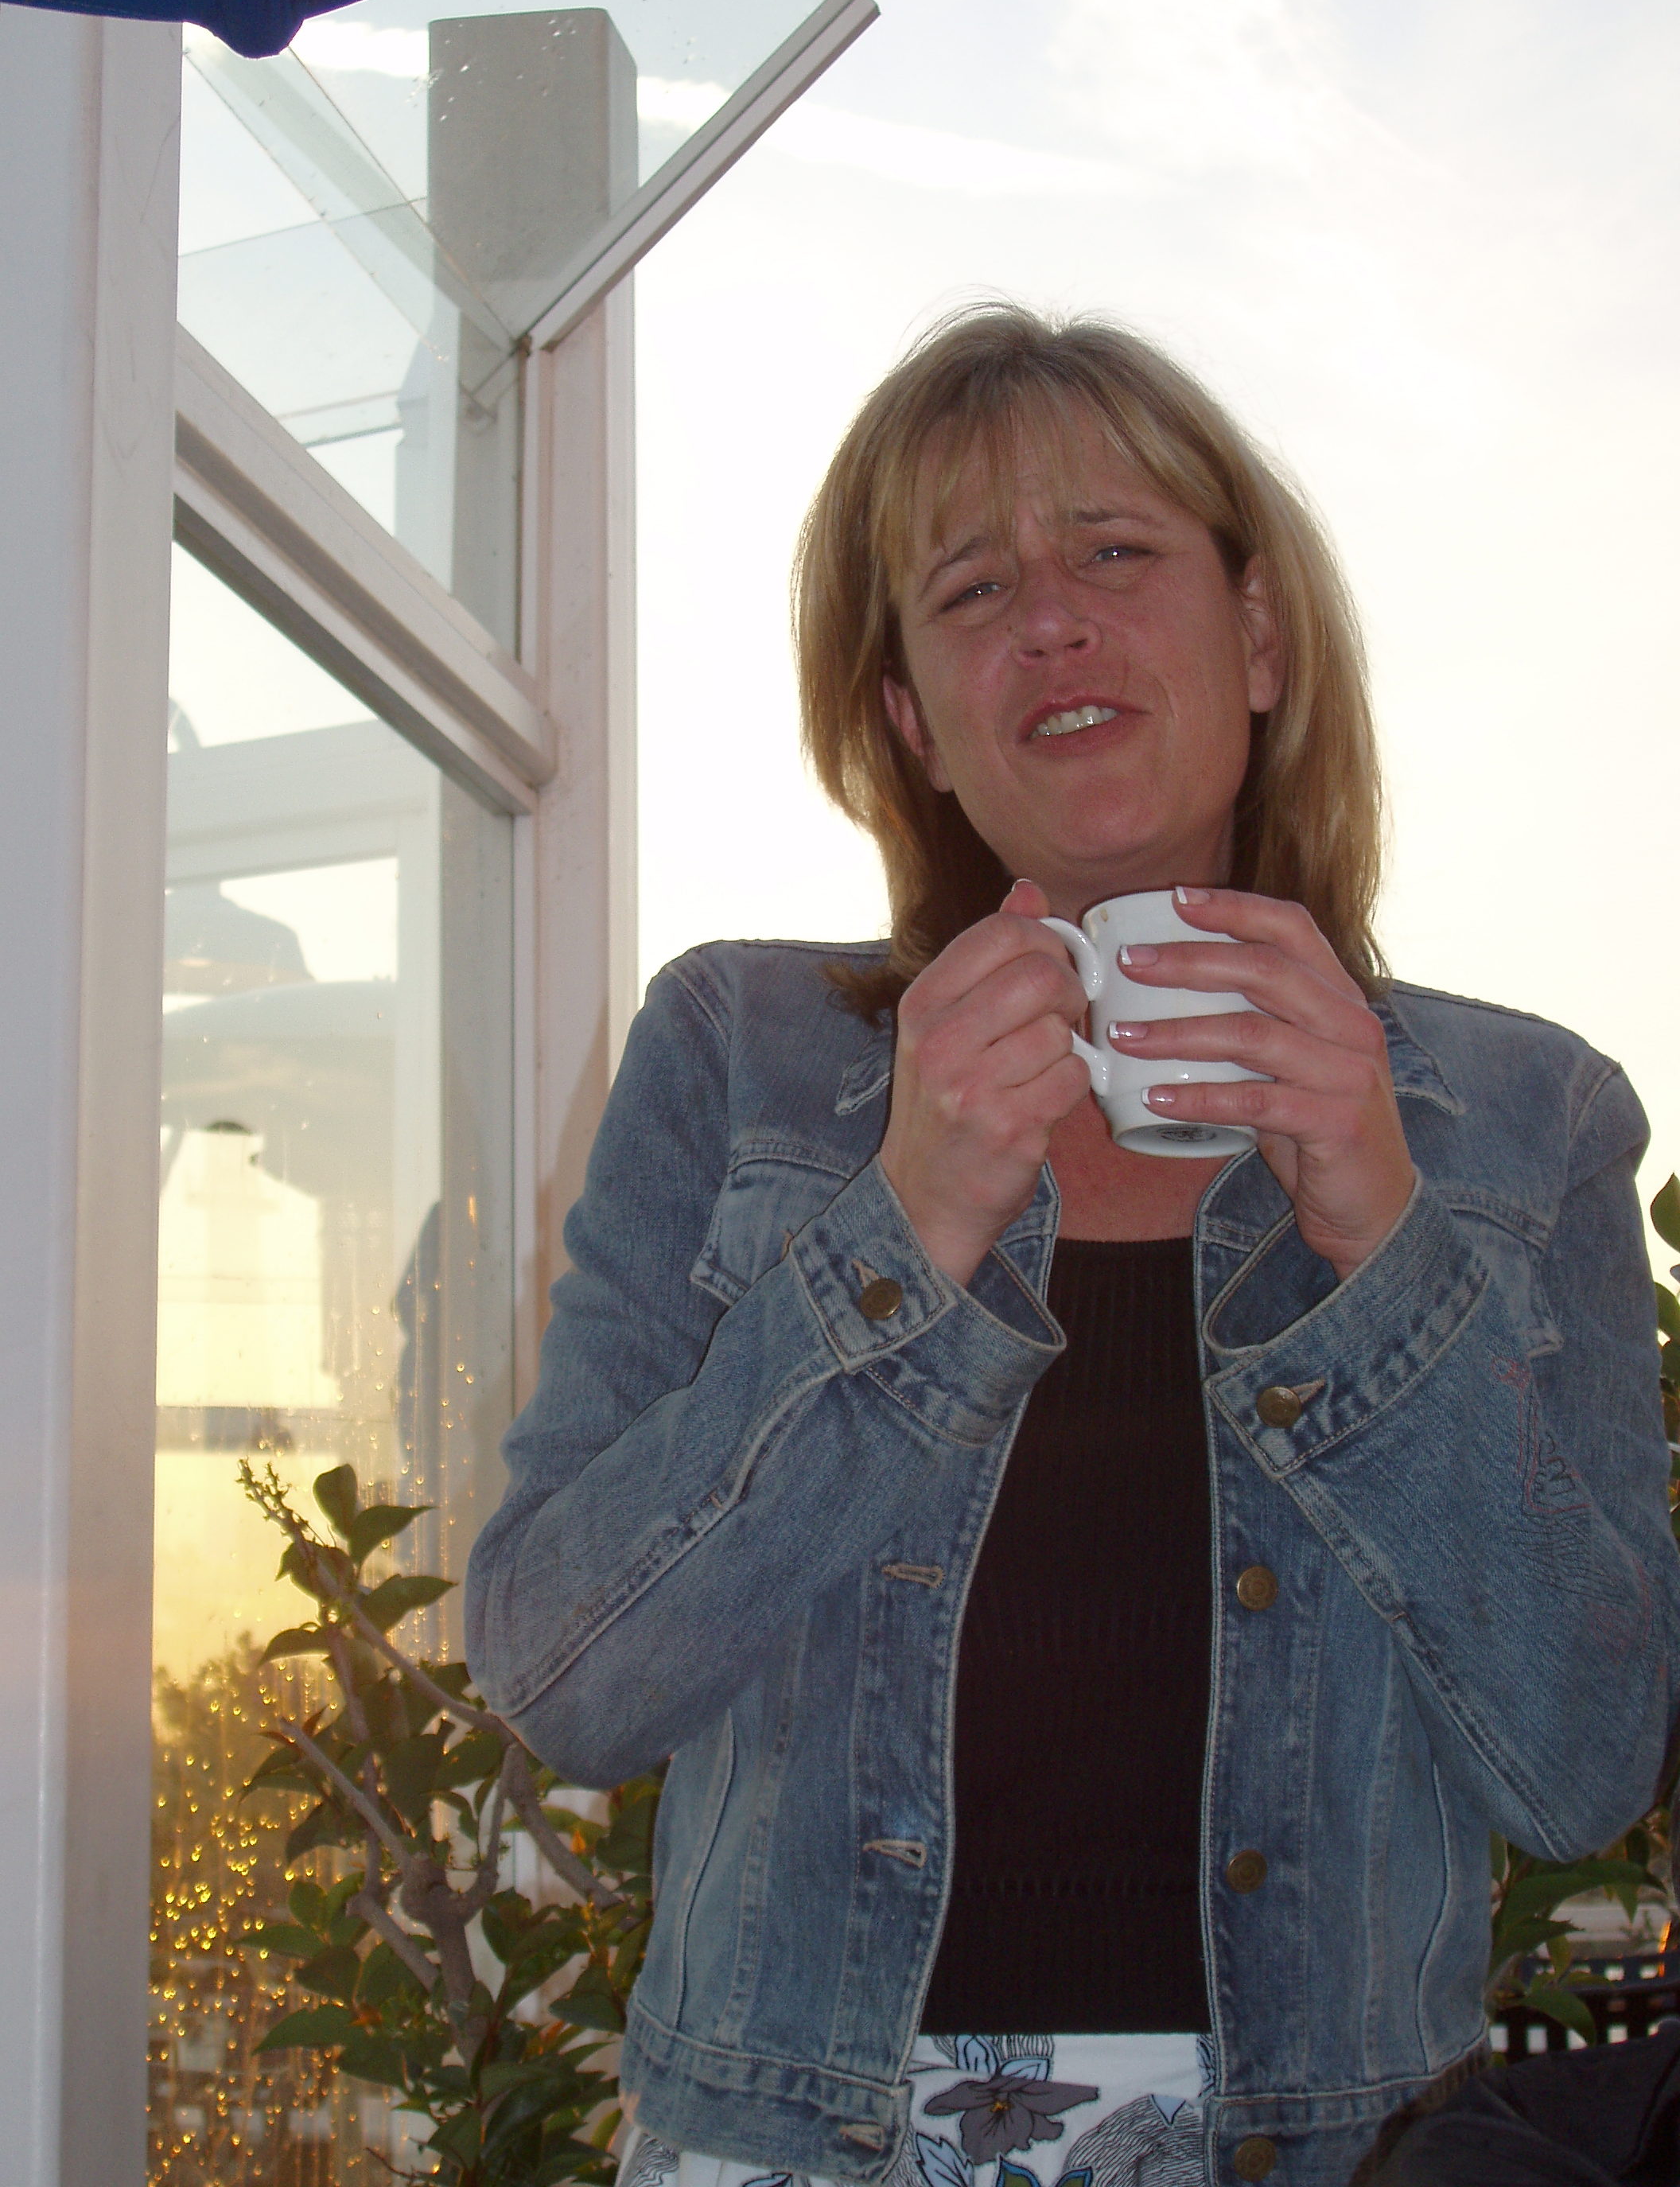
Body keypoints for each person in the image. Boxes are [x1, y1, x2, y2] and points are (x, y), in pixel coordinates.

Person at [465, 306, 1680, 2187]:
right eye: (970, 588)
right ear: (910, 720)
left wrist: (1384, 1234)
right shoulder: (737, 1052)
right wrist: (909, 1221)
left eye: (1115, 550)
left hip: (1338, 2151)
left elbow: (1585, 1757)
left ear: (1259, 639)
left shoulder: (1531, 1122)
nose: (1051, 620)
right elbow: (569, 1678)